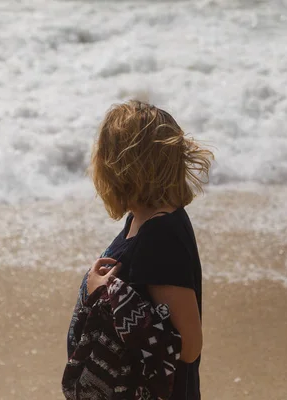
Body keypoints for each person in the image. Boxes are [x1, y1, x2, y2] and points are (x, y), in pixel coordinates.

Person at [67, 100, 213, 399]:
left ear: (121, 165)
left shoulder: (161, 236)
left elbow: (188, 345)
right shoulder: (141, 219)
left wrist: (107, 294)